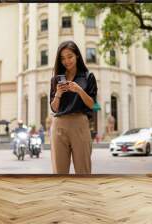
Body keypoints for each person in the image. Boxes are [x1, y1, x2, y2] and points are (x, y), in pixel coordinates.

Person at [49, 40, 98, 174]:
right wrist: (58, 93)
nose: (66, 61)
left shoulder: (88, 77)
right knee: (59, 172)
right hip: (58, 125)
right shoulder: (56, 80)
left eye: (70, 56)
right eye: (63, 58)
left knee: (83, 171)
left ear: (77, 55)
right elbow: (54, 108)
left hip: (79, 124)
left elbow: (93, 105)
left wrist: (79, 90)